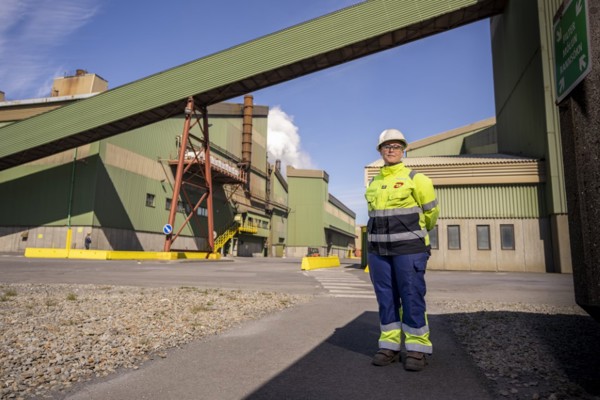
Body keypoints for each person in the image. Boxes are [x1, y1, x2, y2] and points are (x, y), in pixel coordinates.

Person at [365, 128, 439, 372]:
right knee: (386, 299)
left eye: (396, 146)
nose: (391, 150)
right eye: (387, 147)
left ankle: (417, 349)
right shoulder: (375, 181)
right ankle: (390, 347)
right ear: (380, 151)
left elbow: (430, 216)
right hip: (378, 252)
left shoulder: (417, 179)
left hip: (409, 249)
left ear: (403, 150)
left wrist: (415, 237)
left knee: (411, 296)